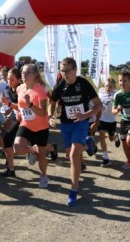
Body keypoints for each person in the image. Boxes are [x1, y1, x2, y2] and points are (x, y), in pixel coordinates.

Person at [49, 57, 102, 207]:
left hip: (81, 123)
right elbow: (52, 103)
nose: (64, 73)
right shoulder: (59, 85)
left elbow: (99, 105)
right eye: (62, 70)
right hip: (65, 124)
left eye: (67, 71)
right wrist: (50, 116)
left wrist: (85, 115)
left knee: (73, 156)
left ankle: (73, 190)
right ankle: (87, 142)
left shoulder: (83, 83)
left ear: (75, 70)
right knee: (69, 155)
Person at [6, 64, 51, 187]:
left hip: (41, 126)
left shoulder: (40, 89)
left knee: (41, 155)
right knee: (17, 148)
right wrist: (20, 113)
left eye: (27, 73)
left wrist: (30, 105)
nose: (24, 75)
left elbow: (42, 112)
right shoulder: (20, 88)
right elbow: (21, 105)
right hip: (26, 124)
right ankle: (33, 149)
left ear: (35, 75)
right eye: (22, 73)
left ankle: (43, 176)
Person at [0, 68, 22, 177]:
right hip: (18, 119)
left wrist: (11, 106)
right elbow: (13, 105)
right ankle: (11, 169)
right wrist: (9, 108)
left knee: (37, 145)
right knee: (7, 140)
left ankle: (50, 148)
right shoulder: (8, 90)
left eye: (12, 79)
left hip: (29, 120)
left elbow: (24, 106)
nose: (9, 82)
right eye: (8, 79)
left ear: (19, 79)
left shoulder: (22, 89)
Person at [97, 77, 118, 167]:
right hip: (102, 118)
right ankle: (105, 158)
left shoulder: (116, 94)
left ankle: (116, 137)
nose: (108, 88)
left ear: (114, 87)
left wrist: (116, 103)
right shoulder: (101, 91)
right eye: (106, 86)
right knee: (101, 137)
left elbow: (119, 105)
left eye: (110, 87)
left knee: (111, 138)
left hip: (111, 120)